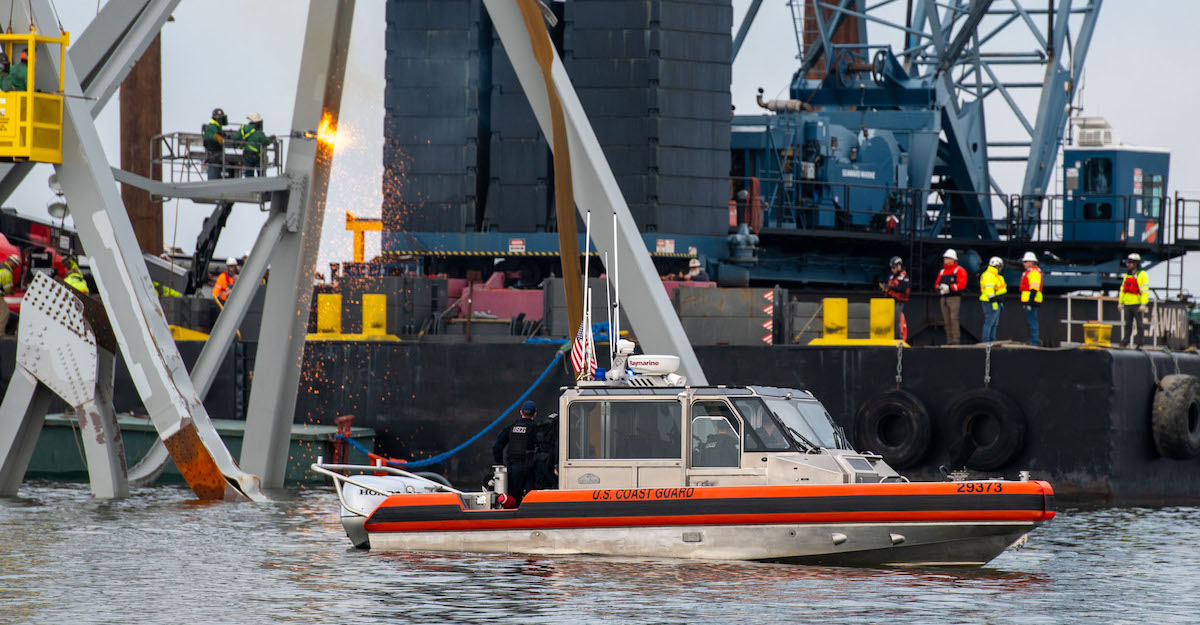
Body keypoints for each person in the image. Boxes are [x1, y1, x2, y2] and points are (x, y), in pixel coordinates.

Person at [493, 400, 539, 504]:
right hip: (530, 468)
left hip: (514, 468)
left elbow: (497, 447)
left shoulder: (511, 428)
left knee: (514, 499)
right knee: (530, 499)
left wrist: (500, 464)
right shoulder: (536, 428)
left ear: (521, 412)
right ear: (535, 414)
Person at [934, 249, 968, 344]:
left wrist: (950, 287)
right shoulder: (942, 271)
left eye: (947, 258)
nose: (945, 259)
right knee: (946, 320)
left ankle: (955, 341)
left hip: (954, 298)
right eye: (945, 258)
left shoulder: (959, 270)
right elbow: (936, 284)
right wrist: (938, 287)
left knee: (954, 319)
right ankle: (949, 341)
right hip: (944, 298)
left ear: (953, 259)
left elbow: (962, 284)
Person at [1119, 253, 1150, 347]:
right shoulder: (1127, 276)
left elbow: (1145, 291)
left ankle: (1140, 343)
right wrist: (1120, 302)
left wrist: (1143, 304)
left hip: (1137, 304)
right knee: (1127, 324)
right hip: (1128, 304)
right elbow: (1122, 290)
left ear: (1135, 264)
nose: (1128, 265)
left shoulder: (1142, 275)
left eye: (1130, 263)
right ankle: (1125, 341)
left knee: (1139, 324)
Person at [879, 256, 910, 340]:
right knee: (888, 320)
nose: (892, 269)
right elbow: (890, 288)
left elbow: (903, 289)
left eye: (894, 267)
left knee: (896, 320)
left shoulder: (904, 277)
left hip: (898, 301)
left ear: (899, 266)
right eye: (891, 268)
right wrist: (885, 288)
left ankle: (898, 338)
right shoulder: (892, 277)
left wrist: (889, 288)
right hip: (889, 302)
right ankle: (890, 337)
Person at [979, 256, 1007, 343]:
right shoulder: (989, 275)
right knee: (989, 322)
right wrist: (993, 300)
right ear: (998, 266)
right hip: (990, 302)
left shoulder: (995, 276)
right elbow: (989, 289)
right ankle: (986, 340)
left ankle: (992, 339)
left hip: (996, 302)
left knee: (994, 323)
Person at [1019, 252, 1043, 346]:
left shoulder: (1034, 273)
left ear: (1031, 262)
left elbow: (1034, 288)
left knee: (1032, 322)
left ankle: (1034, 342)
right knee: (1031, 322)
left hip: (1032, 301)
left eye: (1025, 261)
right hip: (1030, 301)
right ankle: (1033, 340)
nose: (1023, 263)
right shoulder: (1030, 272)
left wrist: (1030, 302)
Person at [239, 113, 271, 177]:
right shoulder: (259, 133)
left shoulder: (243, 129)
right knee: (261, 172)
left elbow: (236, 137)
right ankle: (261, 181)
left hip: (246, 154)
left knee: (249, 172)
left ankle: (248, 182)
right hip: (256, 156)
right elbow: (267, 141)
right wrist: (271, 139)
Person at [533, 411, 559, 490]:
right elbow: (557, 445)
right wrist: (557, 465)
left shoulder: (542, 425)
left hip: (539, 458)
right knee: (553, 485)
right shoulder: (556, 426)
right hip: (550, 460)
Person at [203, 108, 230, 180]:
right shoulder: (212, 126)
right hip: (214, 156)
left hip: (217, 156)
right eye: (219, 118)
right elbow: (208, 136)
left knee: (217, 173)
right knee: (213, 177)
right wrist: (217, 137)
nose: (220, 120)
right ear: (215, 118)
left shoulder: (217, 127)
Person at [0, 253, 18, 337]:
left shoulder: (1, 267)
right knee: (5, 312)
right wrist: (11, 291)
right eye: (15, 264)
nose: (15, 267)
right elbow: (7, 288)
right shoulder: (7, 273)